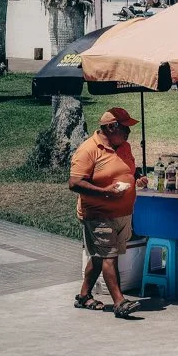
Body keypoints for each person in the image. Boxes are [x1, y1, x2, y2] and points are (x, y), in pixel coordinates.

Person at [70, 107, 142, 318]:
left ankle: (84, 296)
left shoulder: (124, 146)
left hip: (122, 213)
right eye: (125, 128)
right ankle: (120, 302)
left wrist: (137, 178)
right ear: (111, 127)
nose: (129, 132)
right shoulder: (88, 150)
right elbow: (74, 183)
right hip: (98, 213)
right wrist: (104, 193)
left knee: (101, 256)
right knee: (110, 257)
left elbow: (129, 169)